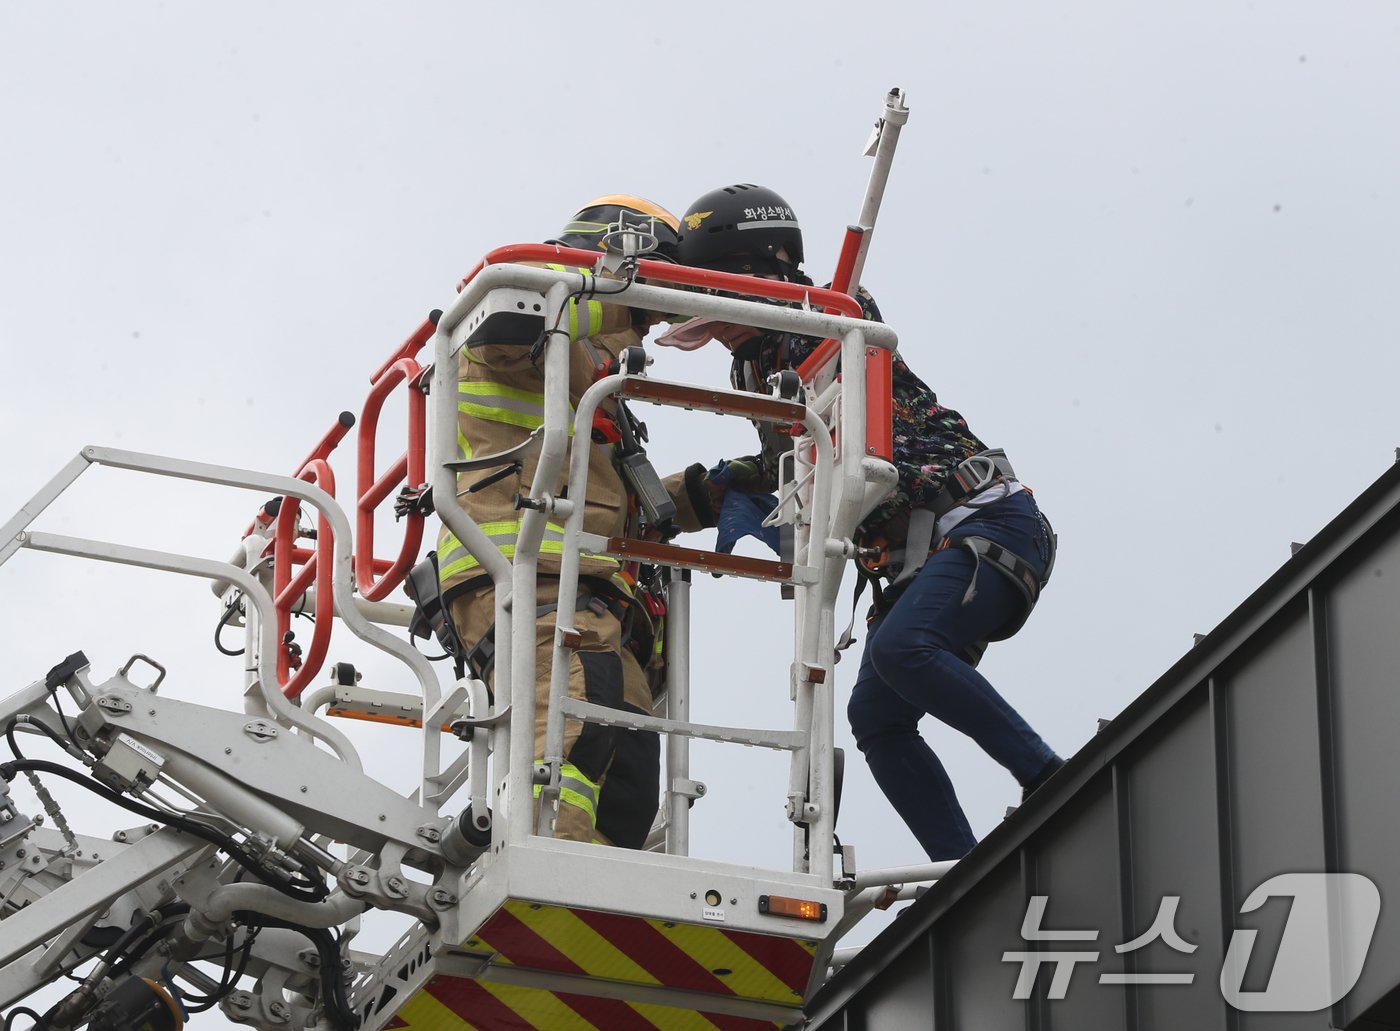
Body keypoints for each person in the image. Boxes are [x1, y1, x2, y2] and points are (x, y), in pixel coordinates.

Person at [660, 183, 1063, 861]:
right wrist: (699, 492)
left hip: (984, 522)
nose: (716, 327)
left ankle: (1049, 776)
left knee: (903, 651)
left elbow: (850, 390)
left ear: (758, 276)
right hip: (919, 555)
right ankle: (961, 868)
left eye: (719, 302)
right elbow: (787, 463)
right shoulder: (752, 363)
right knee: (876, 714)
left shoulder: (833, 314)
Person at [435, 195, 712, 847]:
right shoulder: (527, 320)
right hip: (522, 576)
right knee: (574, 731)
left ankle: (595, 881)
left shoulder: (586, 387)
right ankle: (545, 856)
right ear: (623, 255)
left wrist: (717, 491)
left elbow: (612, 509)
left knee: (629, 772)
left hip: (593, 598)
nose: (644, 335)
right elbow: (504, 317)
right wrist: (641, 296)